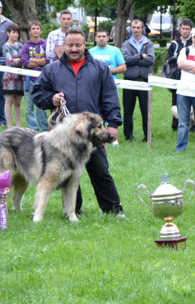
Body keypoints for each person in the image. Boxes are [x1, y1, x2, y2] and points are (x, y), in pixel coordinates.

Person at [32, 28, 124, 217]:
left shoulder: (100, 68)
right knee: (68, 173)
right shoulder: (51, 69)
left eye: (78, 45)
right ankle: (73, 210)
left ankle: (114, 210)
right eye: (70, 45)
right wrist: (52, 99)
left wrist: (113, 124)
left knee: (100, 171)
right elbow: (37, 94)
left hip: (93, 134)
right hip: (63, 136)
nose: (74, 49)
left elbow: (110, 98)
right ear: (64, 45)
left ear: (85, 44)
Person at [121, 19, 155, 141]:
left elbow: (150, 60)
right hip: (129, 81)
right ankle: (128, 135)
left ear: (142, 29)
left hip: (144, 81)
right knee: (128, 109)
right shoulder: (126, 44)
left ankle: (148, 135)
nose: (136, 30)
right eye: (133, 27)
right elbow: (126, 60)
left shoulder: (149, 44)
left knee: (146, 110)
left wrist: (134, 59)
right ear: (130, 28)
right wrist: (141, 56)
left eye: (138, 27)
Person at [164, 18, 193, 130]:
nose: (185, 31)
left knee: (190, 100)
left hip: (190, 76)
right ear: (180, 29)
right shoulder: (174, 44)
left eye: (187, 29)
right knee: (175, 100)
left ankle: (191, 124)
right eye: (183, 28)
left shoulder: (193, 42)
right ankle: (175, 124)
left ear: (190, 30)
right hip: (176, 76)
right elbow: (169, 60)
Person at [21, 21, 50, 131]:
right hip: (29, 79)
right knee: (29, 106)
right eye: (33, 28)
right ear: (29, 31)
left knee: (41, 106)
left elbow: (48, 60)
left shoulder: (45, 45)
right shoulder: (26, 46)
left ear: (41, 31)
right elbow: (25, 62)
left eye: (37, 28)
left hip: (42, 80)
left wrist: (33, 60)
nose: (35, 30)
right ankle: (32, 129)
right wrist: (40, 61)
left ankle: (44, 129)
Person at [2, 23, 24, 128]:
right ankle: (9, 125)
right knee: (9, 100)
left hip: (20, 77)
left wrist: (18, 60)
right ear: (8, 33)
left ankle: (18, 125)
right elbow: (9, 62)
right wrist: (19, 60)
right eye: (13, 32)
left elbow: (24, 59)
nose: (15, 35)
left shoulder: (20, 45)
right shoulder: (6, 46)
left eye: (17, 32)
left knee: (18, 102)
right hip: (10, 77)